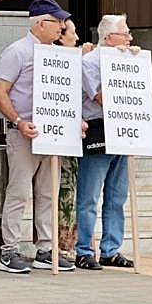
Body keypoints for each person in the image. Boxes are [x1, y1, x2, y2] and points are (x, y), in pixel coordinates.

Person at [0, 0, 79, 274]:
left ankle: (45, 248)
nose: (62, 27)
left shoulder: (58, 54)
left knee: (47, 193)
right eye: (57, 22)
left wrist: (74, 120)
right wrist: (18, 121)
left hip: (52, 133)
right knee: (18, 191)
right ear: (40, 24)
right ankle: (9, 249)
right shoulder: (17, 52)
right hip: (25, 132)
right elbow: (0, 92)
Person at [75, 14, 140, 271]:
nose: (130, 38)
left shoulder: (125, 59)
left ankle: (111, 249)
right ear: (109, 37)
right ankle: (83, 250)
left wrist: (132, 64)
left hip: (122, 126)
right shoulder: (90, 62)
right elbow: (99, 97)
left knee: (117, 195)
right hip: (99, 128)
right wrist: (124, 73)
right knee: (90, 195)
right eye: (125, 34)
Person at [52, 18, 91, 264]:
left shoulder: (78, 60)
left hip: (75, 135)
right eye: (72, 34)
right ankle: (58, 245)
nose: (77, 38)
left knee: (70, 188)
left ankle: (69, 244)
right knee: (60, 190)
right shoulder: (54, 63)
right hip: (56, 135)